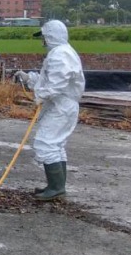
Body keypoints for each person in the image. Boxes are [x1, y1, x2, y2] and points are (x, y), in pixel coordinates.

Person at [14, 19, 85, 200]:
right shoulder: (61, 52)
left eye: (44, 37)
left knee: (45, 143)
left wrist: (41, 96)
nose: (42, 41)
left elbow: (56, 83)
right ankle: (56, 186)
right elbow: (49, 82)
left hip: (61, 106)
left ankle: (56, 188)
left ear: (50, 36)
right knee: (56, 144)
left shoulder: (60, 55)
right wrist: (28, 78)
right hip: (61, 104)